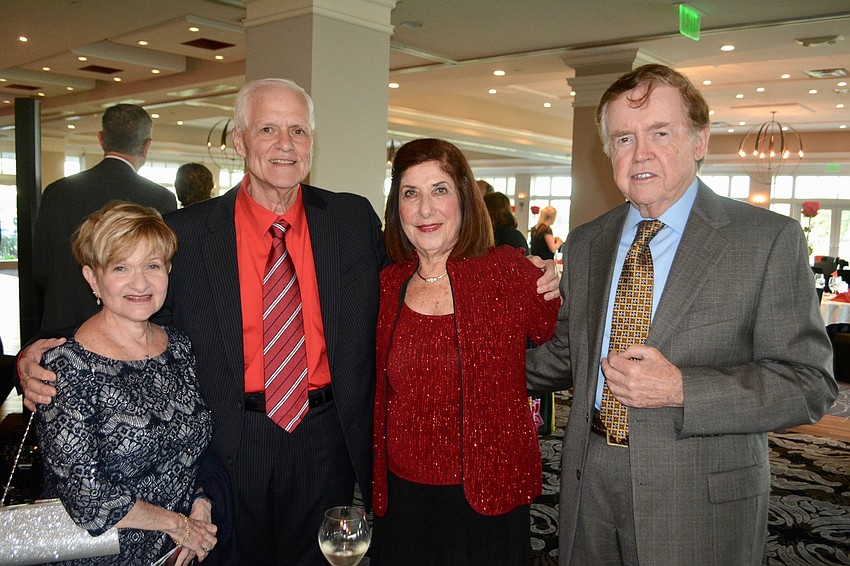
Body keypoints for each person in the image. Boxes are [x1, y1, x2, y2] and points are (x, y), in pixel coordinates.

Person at [19, 79, 559, 565]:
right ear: (239, 140)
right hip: (230, 444)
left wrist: (525, 272)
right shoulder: (188, 232)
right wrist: (39, 357)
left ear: (312, 143)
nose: (285, 143)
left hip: (326, 440)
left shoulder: (351, 221)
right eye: (269, 129)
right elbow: (120, 299)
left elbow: (421, 281)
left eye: (298, 130)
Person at [525, 63, 838, 565]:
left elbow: (808, 385)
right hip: (590, 479)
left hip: (700, 494)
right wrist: (471, 339)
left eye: (660, 133)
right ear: (608, 152)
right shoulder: (587, 242)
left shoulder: (765, 240)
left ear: (699, 140)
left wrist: (680, 389)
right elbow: (567, 357)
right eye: (623, 138)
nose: (640, 152)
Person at [371, 139, 560, 565]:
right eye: (410, 193)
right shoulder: (387, 284)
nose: (425, 209)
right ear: (395, 207)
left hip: (487, 493)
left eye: (440, 190)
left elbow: (565, 348)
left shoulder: (509, 273)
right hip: (401, 494)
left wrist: (554, 282)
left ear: (464, 199)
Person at [36, 201, 217, 565]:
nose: (140, 283)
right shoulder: (67, 368)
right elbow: (88, 498)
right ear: (92, 278)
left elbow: (198, 444)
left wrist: (201, 502)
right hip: (102, 556)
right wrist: (178, 524)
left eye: (152, 265)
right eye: (121, 267)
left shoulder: (180, 347)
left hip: (176, 553)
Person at [33, 103, 178, 332]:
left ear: (101, 139)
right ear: (146, 145)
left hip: (59, 328)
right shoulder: (159, 198)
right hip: (124, 332)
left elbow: (40, 268)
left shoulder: (56, 191)